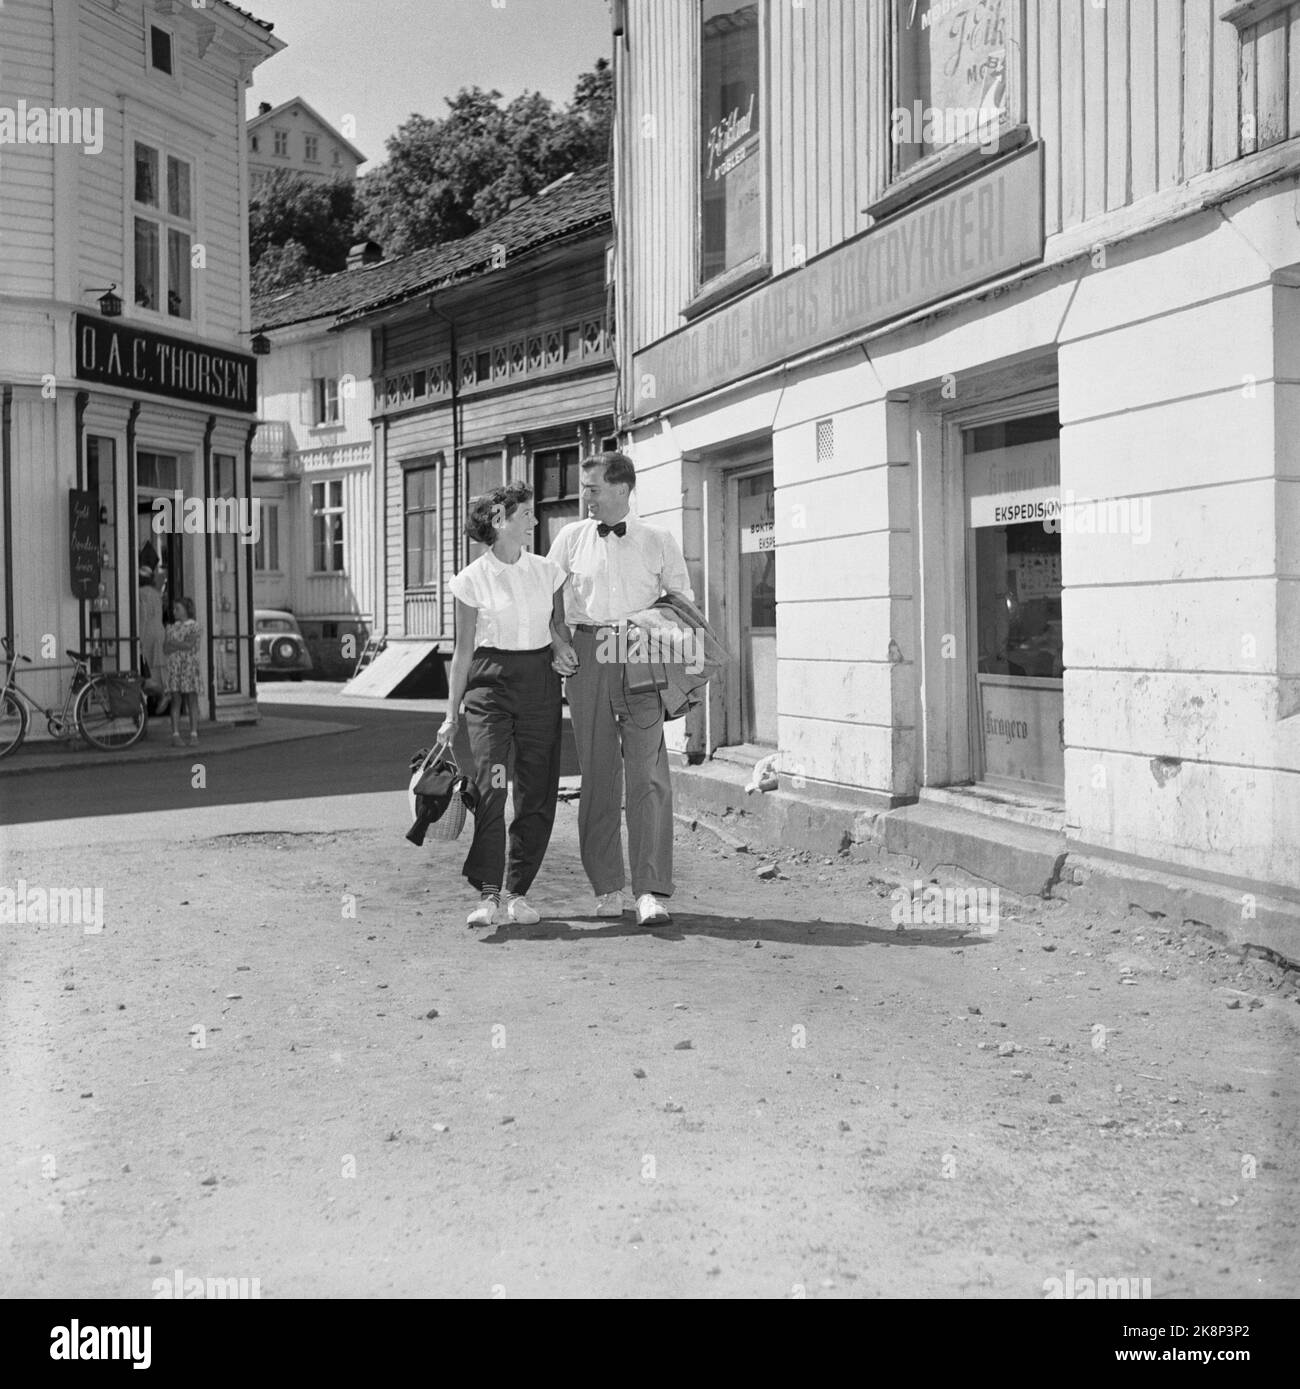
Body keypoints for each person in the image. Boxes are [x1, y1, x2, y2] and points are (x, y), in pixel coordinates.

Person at [547, 452, 692, 928]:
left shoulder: (659, 541)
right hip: (588, 656)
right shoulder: (569, 539)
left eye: (591, 488)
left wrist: (648, 628)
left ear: (622, 489)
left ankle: (650, 890)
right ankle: (607, 888)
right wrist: (557, 640)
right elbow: (546, 598)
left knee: (649, 776)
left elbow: (682, 606)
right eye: (584, 488)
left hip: (639, 656)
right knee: (598, 775)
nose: (583, 496)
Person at [439, 483, 568, 928]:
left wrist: (561, 649)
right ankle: (488, 893)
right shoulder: (471, 579)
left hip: (539, 686)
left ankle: (518, 891)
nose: (535, 520)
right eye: (527, 513)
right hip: (489, 690)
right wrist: (450, 715)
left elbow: (557, 628)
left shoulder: (547, 571)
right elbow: (462, 651)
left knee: (536, 789)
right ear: (500, 521)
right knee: (493, 785)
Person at [162, 596, 202, 747]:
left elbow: (189, 645)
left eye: (177, 608)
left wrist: (174, 643)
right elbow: (166, 649)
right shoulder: (171, 627)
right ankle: (175, 734)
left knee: (192, 700)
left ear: (186, 610)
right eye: (173, 608)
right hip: (175, 667)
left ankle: (193, 733)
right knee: (176, 700)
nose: (174, 611)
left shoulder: (195, 626)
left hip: (189, 667)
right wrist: (179, 644)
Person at [137, 566, 167, 713]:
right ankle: (162, 695)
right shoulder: (156, 593)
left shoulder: (140, 594)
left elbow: (143, 617)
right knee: (158, 670)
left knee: (146, 672)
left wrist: (139, 640)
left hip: (147, 634)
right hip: (160, 632)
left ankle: (161, 694)